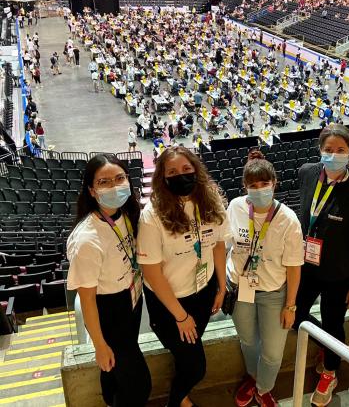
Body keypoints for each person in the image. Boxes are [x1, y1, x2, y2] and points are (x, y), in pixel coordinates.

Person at [137, 147, 228, 407]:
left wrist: (221, 286)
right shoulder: (152, 215)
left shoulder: (211, 200)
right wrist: (181, 316)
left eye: (186, 169)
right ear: (163, 178)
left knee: (186, 356)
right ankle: (175, 402)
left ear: (196, 170)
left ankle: (183, 397)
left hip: (204, 292)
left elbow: (219, 244)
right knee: (196, 367)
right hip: (170, 305)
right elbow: (152, 273)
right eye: (173, 172)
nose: (181, 175)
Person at [294, 125, 349, 407]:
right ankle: (327, 347)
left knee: (333, 324)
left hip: (338, 274)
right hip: (306, 267)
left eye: (340, 150)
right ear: (320, 151)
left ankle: (331, 369)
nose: (334, 155)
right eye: (328, 150)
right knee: (294, 315)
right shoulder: (306, 173)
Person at [66, 155, 152, 407]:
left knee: (116, 374)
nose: (114, 186)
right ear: (92, 191)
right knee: (139, 385)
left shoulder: (124, 214)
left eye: (119, 178)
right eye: (104, 182)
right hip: (110, 311)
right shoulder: (86, 240)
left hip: (131, 298)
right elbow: (88, 300)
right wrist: (100, 345)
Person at [227, 150, 304, 407]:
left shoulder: (288, 220)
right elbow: (223, 245)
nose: (259, 189)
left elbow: (294, 268)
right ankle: (252, 377)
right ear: (245, 187)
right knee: (248, 341)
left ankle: (264, 387)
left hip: (274, 293)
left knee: (272, 352)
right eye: (252, 185)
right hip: (241, 290)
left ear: (274, 184)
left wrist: (290, 305)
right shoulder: (235, 207)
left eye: (264, 184)